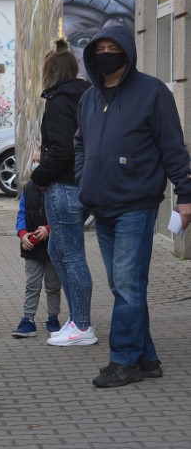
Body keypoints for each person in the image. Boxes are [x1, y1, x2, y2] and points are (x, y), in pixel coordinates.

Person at [76, 25, 191, 387]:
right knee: (123, 286)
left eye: (113, 47)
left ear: (126, 51)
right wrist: (84, 176)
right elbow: (80, 143)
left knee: (127, 285)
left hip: (136, 205)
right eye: (100, 48)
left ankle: (123, 361)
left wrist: (185, 195)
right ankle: (147, 358)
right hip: (101, 206)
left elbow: (173, 147)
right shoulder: (89, 98)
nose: (106, 53)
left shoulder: (152, 93)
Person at [30, 38, 96, 347]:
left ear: (50, 72)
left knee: (71, 256)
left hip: (64, 188)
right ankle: (75, 320)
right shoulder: (84, 96)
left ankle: (82, 325)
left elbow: (62, 150)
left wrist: (38, 175)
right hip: (75, 185)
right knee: (58, 252)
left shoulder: (58, 102)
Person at [12, 174, 62, 338]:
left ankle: (53, 319)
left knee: (53, 286)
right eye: (34, 161)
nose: (36, 165)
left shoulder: (58, 187)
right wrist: (23, 234)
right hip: (31, 246)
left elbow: (62, 214)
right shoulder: (28, 188)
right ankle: (28, 320)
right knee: (32, 285)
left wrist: (49, 228)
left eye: (39, 161)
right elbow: (22, 214)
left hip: (52, 245)